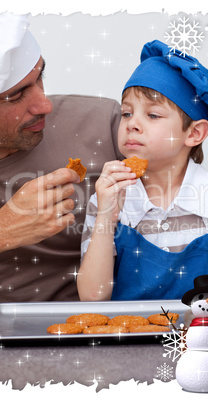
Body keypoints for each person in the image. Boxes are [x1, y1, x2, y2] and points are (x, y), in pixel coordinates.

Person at [78, 40, 208, 311]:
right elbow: (92, 297)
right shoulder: (107, 197)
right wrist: (105, 217)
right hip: (127, 340)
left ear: (194, 133)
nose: (132, 124)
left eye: (153, 115)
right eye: (126, 113)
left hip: (202, 338)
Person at [0, 13, 121, 302]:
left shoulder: (105, 124)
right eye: (16, 96)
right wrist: (5, 228)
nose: (45, 104)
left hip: (101, 330)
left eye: (40, 76)